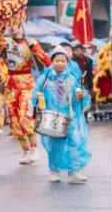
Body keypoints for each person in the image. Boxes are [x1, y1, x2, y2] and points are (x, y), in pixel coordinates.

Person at [32, 47, 92, 183]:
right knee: (54, 145)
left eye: (63, 61)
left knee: (74, 142)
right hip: (52, 116)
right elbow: (35, 96)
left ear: (67, 62)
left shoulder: (71, 78)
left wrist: (80, 96)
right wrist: (38, 96)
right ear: (52, 61)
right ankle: (54, 171)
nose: (60, 63)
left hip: (70, 116)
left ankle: (74, 172)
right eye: (57, 60)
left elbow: (80, 99)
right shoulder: (44, 79)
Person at [0, 25, 51, 165]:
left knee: (25, 116)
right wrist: (1, 28)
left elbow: (46, 61)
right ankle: (25, 150)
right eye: (9, 23)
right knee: (14, 120)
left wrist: (33, 48)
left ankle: (34, 148)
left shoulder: (31, 41)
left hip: (27, 84)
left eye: (15, 23)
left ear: (20, 25)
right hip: (10, 85)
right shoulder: (6, 42)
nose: (12, 27)